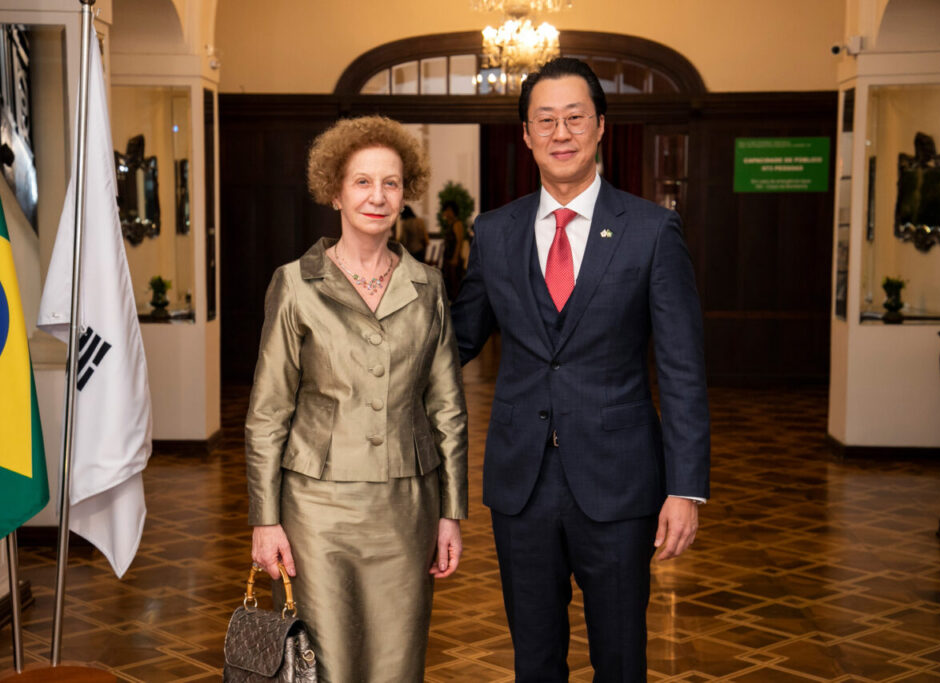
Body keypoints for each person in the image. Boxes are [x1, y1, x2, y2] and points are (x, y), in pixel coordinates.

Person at [450, 58, 710, 681]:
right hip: (521, 483)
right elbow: (454, 341)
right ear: (526, 135)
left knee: (620, 658)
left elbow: (680, 368)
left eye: (574, 118)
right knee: (534, 659)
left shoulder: (651, 231)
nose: (560, 132)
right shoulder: (494, 232)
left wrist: (686, 486)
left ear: (600, 128)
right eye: (546, 120)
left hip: (621, 483)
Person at [246, 115, 468, 683]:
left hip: (406, 507)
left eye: (390, 183)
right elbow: (268, 412)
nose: (377, 196)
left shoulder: (429, 288)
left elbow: (447, 408)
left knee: (399, 664)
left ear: (404, 194)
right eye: (362, 182)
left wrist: (450, 512)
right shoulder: (296, 284)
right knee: (324, 665)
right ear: (335, 191)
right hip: (316, 512)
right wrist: (265, 520)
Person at [440, 200, 466, 298]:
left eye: (450, 210)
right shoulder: (449, 224)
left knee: (454, 282)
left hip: (453, 256)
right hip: (447, 255)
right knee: (448, 281)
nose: (447, 213)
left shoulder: (457, 224)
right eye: (446, 210)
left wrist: (455, 257)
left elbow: (459, 241)